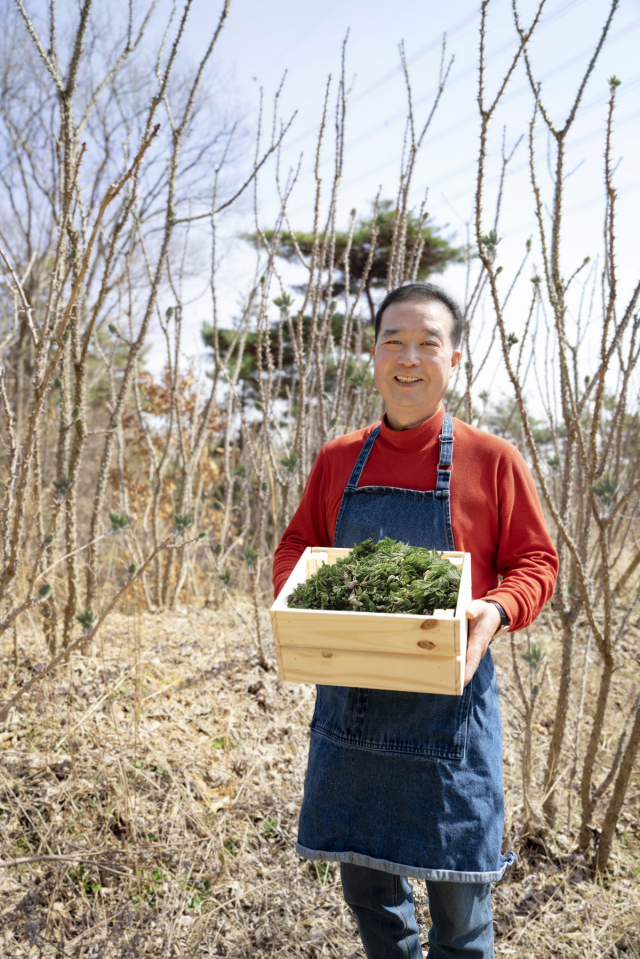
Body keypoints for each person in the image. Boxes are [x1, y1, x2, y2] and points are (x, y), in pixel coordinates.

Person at [272, 282, 558, 959]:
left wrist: (493, 609)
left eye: (428, 343)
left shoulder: (493, 460)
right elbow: (297, 544)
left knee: (461, 918)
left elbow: (536, 562)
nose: (409, 357)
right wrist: (302, 601)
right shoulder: (338, 459)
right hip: (353, 717)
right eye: (393, 341)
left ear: (454, 360)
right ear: (373, 357)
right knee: (372, 899)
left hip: (450, 723)